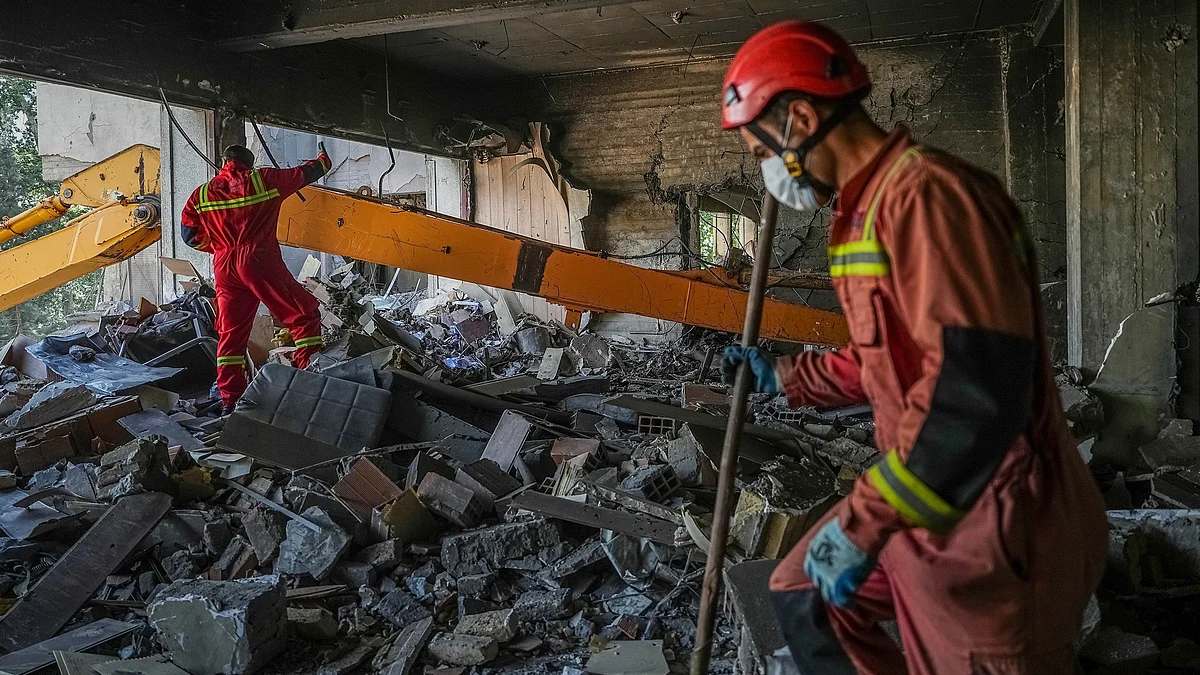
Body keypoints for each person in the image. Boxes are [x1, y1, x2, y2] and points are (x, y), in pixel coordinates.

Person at [719, 21, 1107, 673]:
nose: (764, 172)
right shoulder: (864, 212)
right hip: (926, 498)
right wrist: (785, 375)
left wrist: (864, 523)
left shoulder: (928, 200)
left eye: (760, 149)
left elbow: (972, 400)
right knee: (802, 595)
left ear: (802, 119)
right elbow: (888, 361)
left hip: (993, 519)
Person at [181, 143, 331, 412]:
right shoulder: (264, 180)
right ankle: (312, 384)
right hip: (259, 258)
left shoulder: (201, 194)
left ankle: (231, 402)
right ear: (249, 164)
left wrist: (218, 246)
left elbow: (189, 236)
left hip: (225, 265)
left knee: (231, 335)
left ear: (224, 161)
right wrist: (323, 159)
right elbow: (306, 173)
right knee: (304, 315)